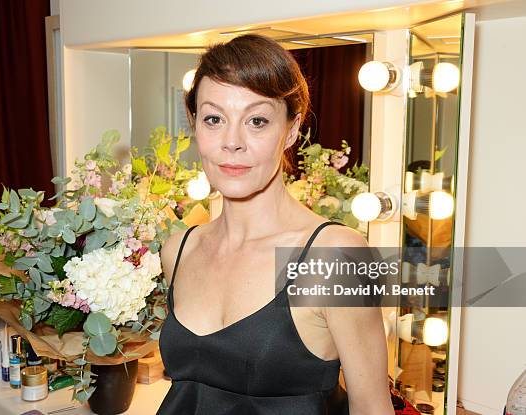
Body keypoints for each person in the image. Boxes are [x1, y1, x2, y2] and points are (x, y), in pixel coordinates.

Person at [157, 34, 394, 415]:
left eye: (257, 121)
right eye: (214, 118)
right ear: (194, 123)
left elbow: (371, 407)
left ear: (291, 129)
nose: (232, 142)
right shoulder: (179, 249)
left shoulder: (333, 255)